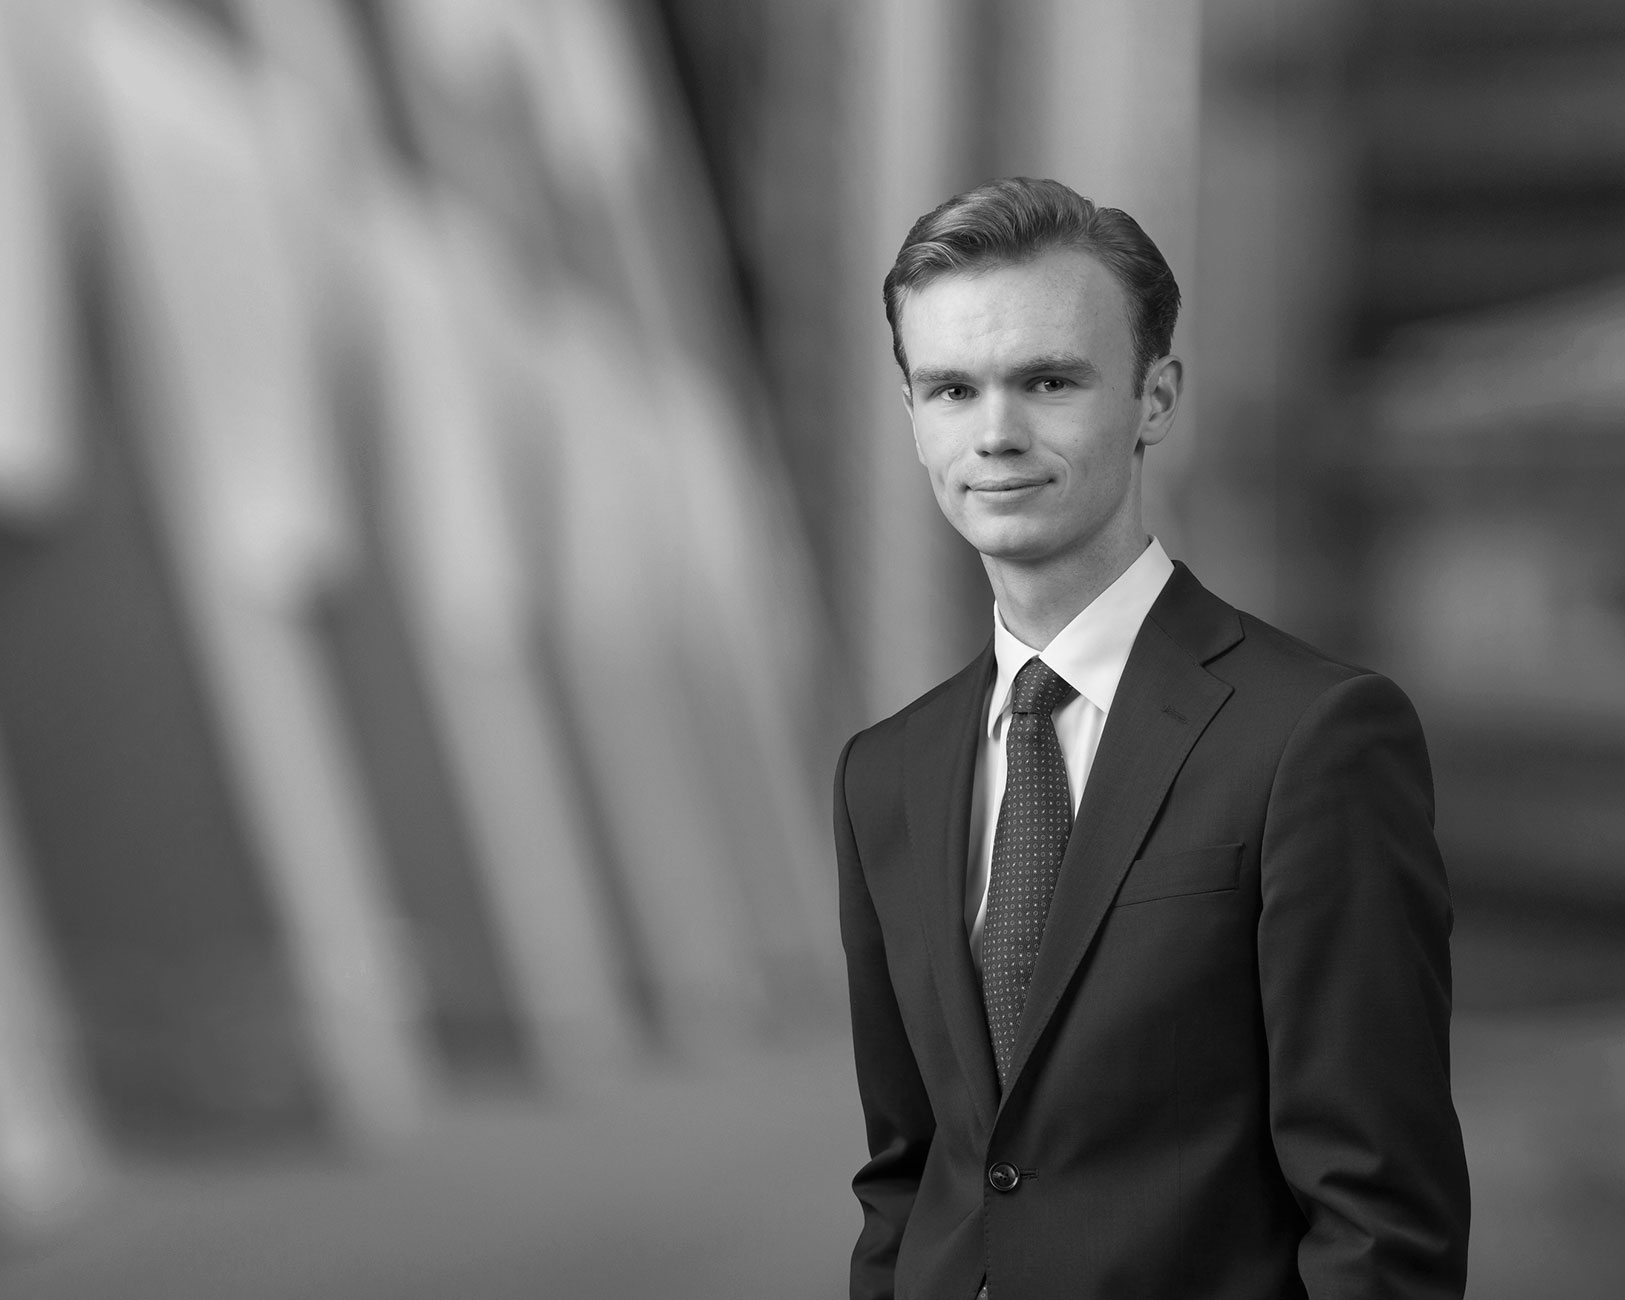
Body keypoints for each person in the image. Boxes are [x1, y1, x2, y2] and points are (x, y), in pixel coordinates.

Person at [833, 177, 1470, 1300]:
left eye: (1047, 381)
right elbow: (909, 1172)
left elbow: (1378, 1217)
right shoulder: (884, 771)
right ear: (912, 414)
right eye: (951, 388)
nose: (995, 433)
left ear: (1154, 397)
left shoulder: (1313, 737)